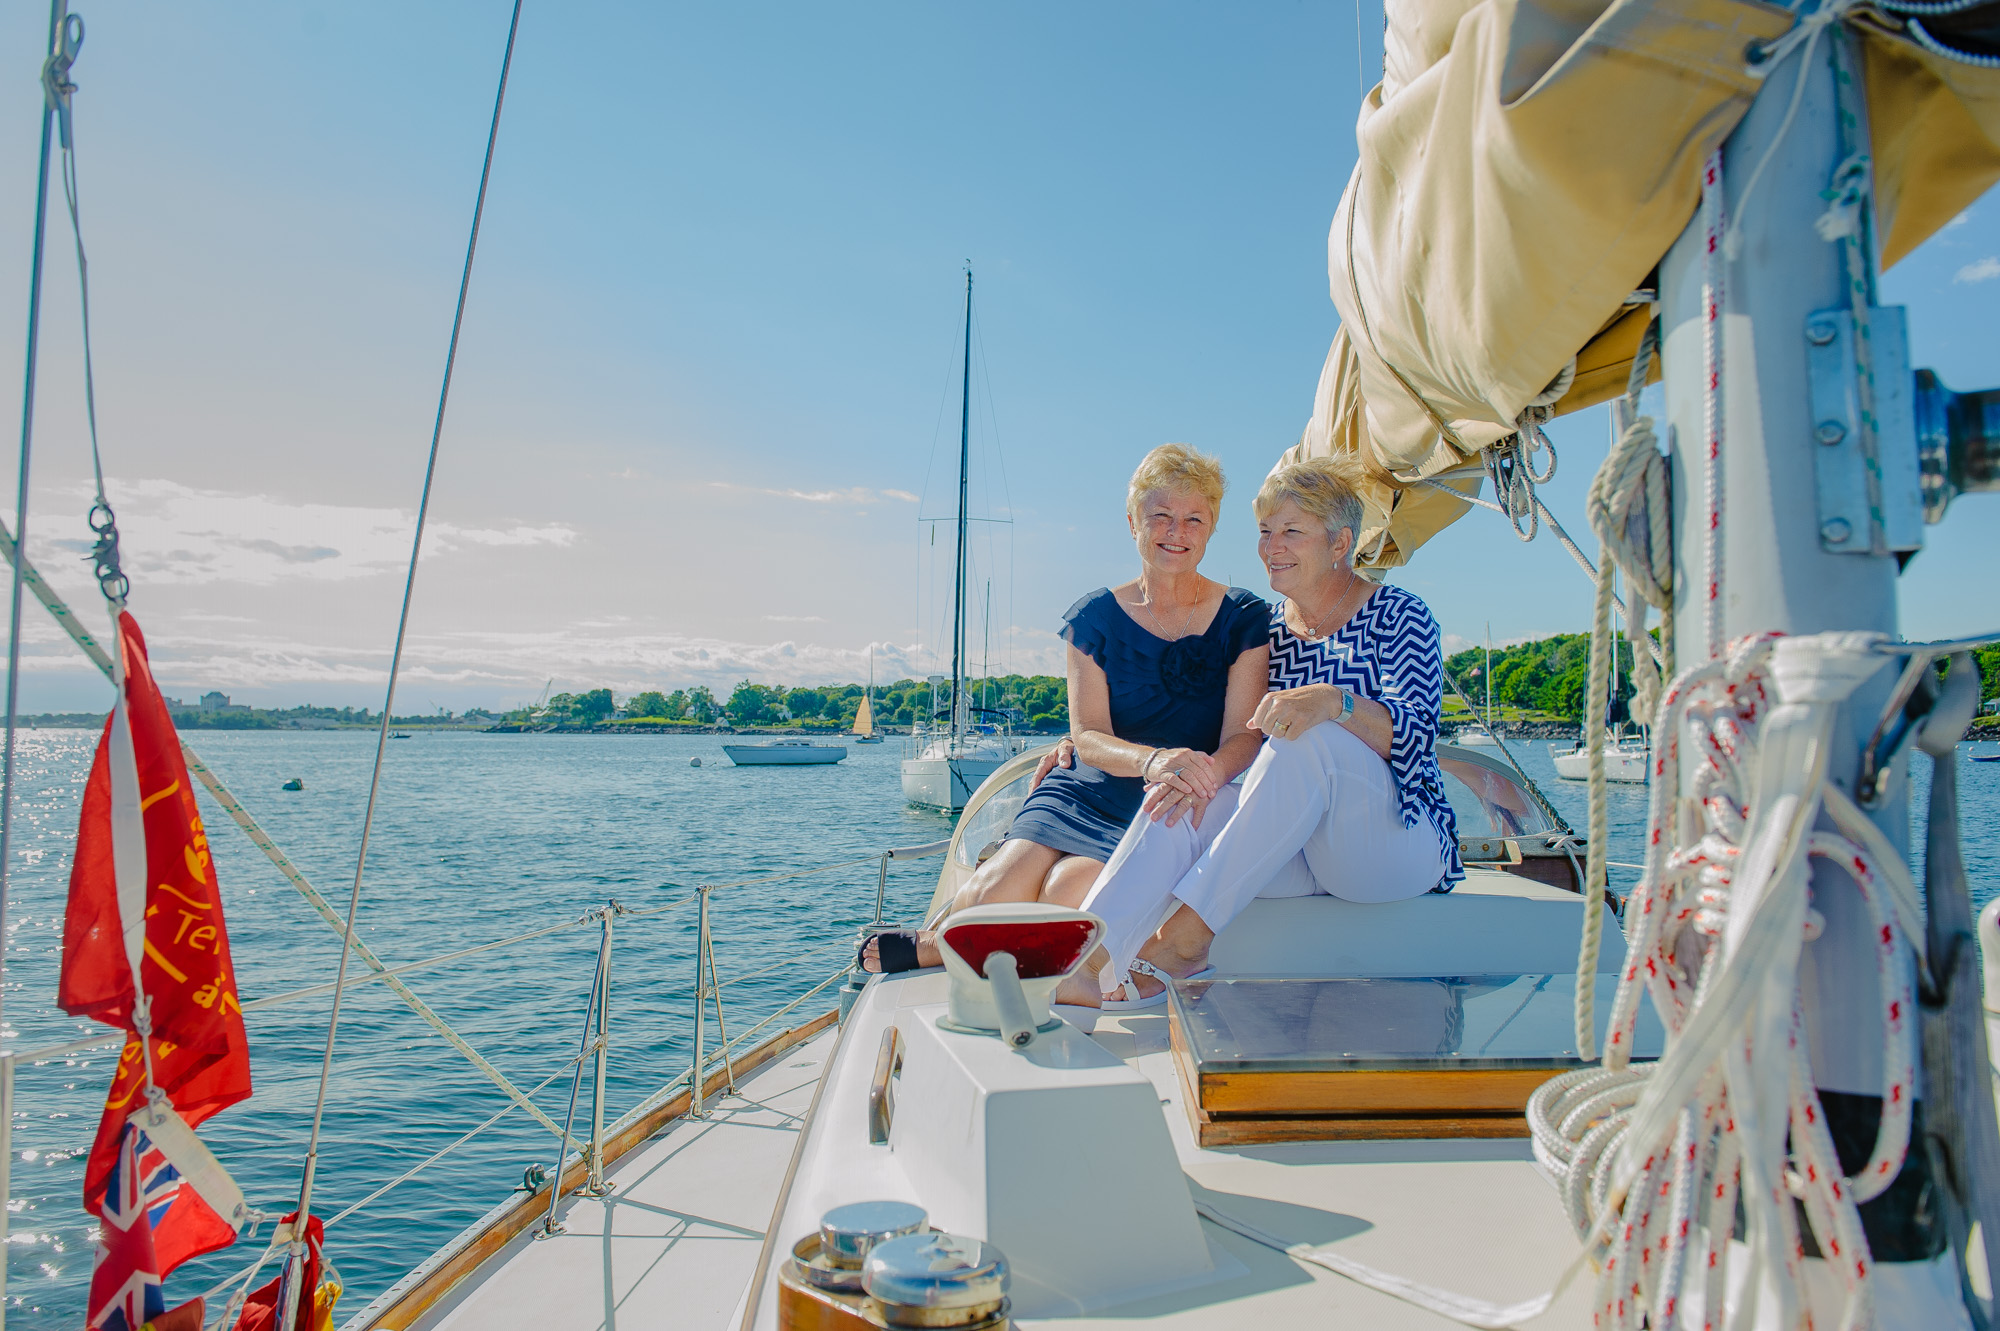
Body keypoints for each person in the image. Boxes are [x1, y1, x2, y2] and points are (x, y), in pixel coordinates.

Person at [1053, 454, 1462, 1009]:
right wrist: (1075, 745)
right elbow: (1215, 725)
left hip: (1391, 846)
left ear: (1340, 544)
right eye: (1266, 532)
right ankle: (1086, 963)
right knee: (1188, 794)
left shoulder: (1399, 614)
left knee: (1309, 736)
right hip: (1295, 849)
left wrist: (1335, 703)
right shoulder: (1268, 629)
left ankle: (1186, 940)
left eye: (1292, 532)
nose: (1272, 547)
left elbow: (1414, 736)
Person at [860, 443, 1269, 973]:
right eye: (1161, 516)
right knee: (989, 894)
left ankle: (944, 947)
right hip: (1089, 783)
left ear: (1212, 527)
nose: (1177, 532)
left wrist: (1197, 773)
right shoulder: (1094, 617)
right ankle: (956, 942)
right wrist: (1152, 760)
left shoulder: (1243, 615)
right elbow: (1090, 734)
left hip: (1169, 799)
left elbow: (1245, 734)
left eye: (1194, 519)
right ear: (1132, 522)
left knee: (1064, 894)